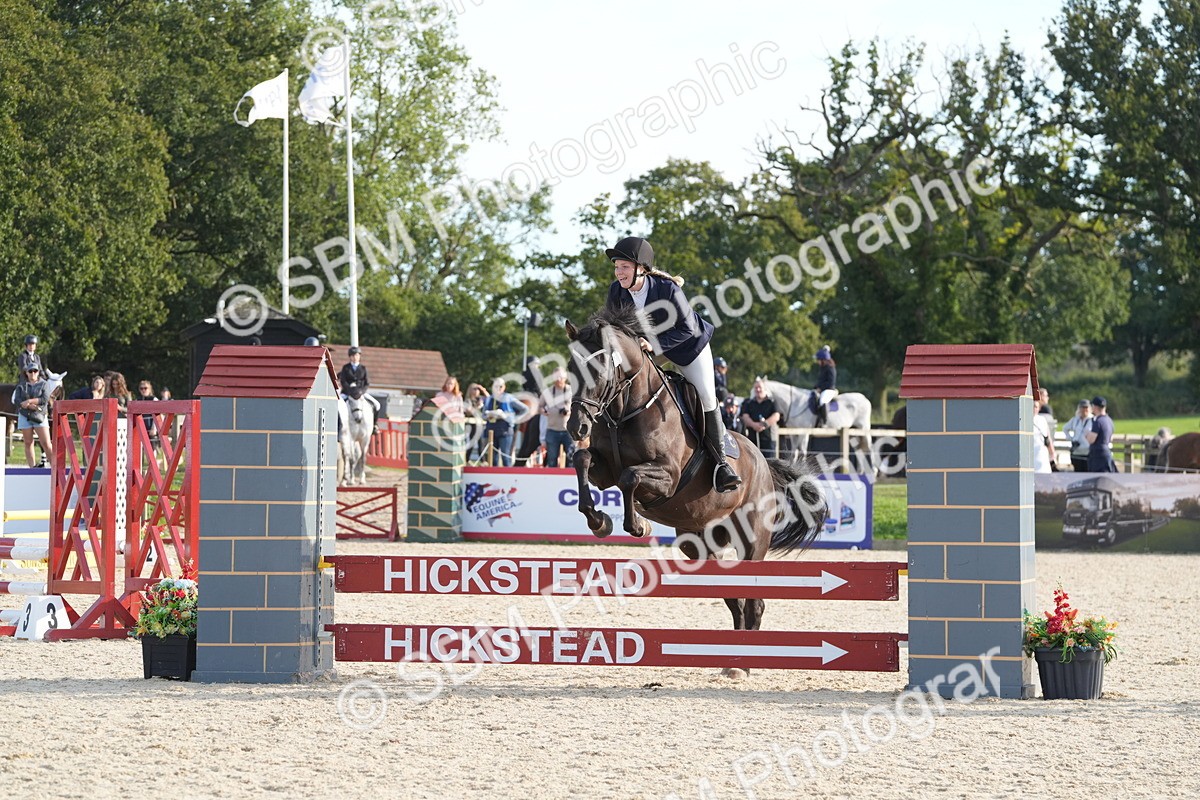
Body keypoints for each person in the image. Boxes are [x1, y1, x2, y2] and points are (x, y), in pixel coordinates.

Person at [604, 236, 741, 492]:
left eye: (624, 267)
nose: (618, 272)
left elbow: (687, 329)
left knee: (706, 397)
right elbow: (614, 330)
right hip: (649, 349)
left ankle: (722, 464)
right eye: (616, 267)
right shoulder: (616, 291)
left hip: (689, 347)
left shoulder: (667, 290)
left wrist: (653, 345)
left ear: (640, 268)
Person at [483, 378, 528, 466]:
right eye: (496, 386)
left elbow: (525, 409)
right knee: (492, 458)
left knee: (506, 457)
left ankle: (508, 478)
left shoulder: (509, 398)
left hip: (505, 430)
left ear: (504, 387)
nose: (498, 389)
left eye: (500, 386)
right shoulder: (489, 399)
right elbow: (483, 415)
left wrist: (513, 419)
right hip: (491, 430)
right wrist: (489, 415)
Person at [14, 365, 53, 467]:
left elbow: (44, 399)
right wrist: (28, 405)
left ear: (38, 372)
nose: (33, 373)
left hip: (39, 415)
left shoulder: (44, 384)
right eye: (30, 371)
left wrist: (29, 401)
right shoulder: (21, 385)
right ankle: (32, 467)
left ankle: (54, 466)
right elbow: (16, 400)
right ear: (26, 373)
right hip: (24, 415)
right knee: (28, 442)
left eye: (35, 371)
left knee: (46, 443)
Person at [338, 346, 381, 432]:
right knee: (337, 406)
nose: (355, 357)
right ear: (350, 357)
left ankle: (374, 425)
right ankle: (337, 427)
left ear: (359, 356)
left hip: (361, 393)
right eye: (353, 356)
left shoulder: (363, 368)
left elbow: (367, 383)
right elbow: (343, 381)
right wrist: (350, 391)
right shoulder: (346, 368)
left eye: (357, 355)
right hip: (347, 393)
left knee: (377, 405)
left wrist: (361, 391)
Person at [739, 377, 780, 459]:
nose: (758, 390)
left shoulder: (771, 402)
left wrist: (765, 424)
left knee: (770, 464)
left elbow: (776, 416)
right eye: (756, 388)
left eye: (760, 387)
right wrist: (754, 425)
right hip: (753, 441)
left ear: (764, 389)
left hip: (768, 439)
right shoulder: (749, 403)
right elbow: (745, 416)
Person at [541, 368, 574, 469]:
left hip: (568, 430)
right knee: (552, 460)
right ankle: (552, 483)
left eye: (561, 377)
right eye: (556, 377)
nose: (558, 379)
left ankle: (571, 482)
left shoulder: (571, 390)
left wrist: (568, 411)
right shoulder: (548, 392)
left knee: (571, 459)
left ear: (565, 378)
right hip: (552, 430)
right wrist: (543, 411)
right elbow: (539, 406)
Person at [1085, 396, 1116, 472]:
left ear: (1094, 407)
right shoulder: (1109, 421)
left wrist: (1086, 434)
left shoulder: (1097, 422)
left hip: (1097, 455)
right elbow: (1110, 438)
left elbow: (1091, 440)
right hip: (1107, 452)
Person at [1062, 399, 1093, 472]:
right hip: (1076, 450)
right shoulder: (1075, 420)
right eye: (1082, 407)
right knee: (1077, 471)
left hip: (1087, 451)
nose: (1084, 410)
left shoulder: (1093, 420)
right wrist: (1070, 438)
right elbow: (1065, 428)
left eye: (1086, 407)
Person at [813, 346, 838, 427]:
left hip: (829, 390)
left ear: (823, 360)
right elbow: (820, 381)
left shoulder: (831, 368)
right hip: (822, 389)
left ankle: (824, 422)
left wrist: (820, 388)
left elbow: (830, 383)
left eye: (819, 360)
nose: (818, 362)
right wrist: (816, 387)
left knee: (822, 401)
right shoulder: (822, 368)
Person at [464, 383, 489, 461]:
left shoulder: (480, 399)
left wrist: (482, 389)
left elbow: (489, 398)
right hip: (472, 424)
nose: (476, 391)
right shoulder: (468, 400)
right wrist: (478, 406)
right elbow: (468, 412)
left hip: (480, 423)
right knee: (474, 441)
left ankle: (482, 460)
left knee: (480, 442)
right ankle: (468, 459)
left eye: (477, 389)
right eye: (474, 389)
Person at [1032, 396, 1056, 474]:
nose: (1034, 409)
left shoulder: (1042, 420)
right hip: (1031, 452)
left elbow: (1047, 437)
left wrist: (1052, 453)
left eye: (1036, 407)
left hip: (1041, 452)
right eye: (1033, 406)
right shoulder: (1023, 419)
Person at [713, 357, 734, 428]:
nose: (724, 369)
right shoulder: (714, 374)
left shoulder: (721, 375)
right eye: (722, 367)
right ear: (716, 366)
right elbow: (722, 386)